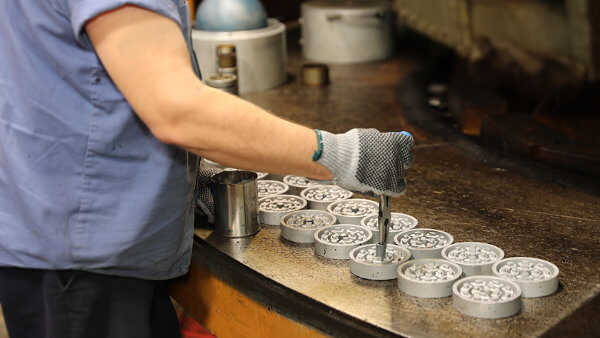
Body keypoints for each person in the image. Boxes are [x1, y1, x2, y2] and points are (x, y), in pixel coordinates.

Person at [0, 1, 414, 337]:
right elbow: (177, 111)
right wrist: (339, 154)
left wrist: (177, 175)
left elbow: (61, 75)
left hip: (65, 232)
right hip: (83, 265)